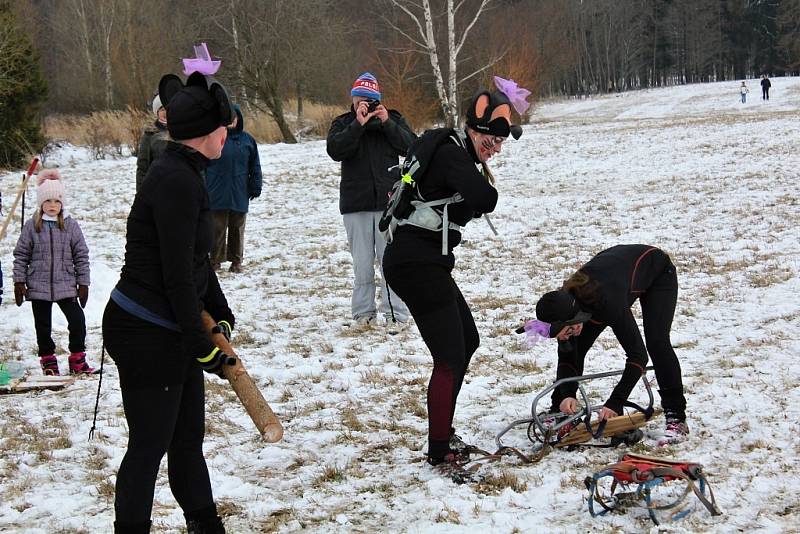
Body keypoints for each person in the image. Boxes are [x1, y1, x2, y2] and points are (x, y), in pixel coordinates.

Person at [102, 71, 237, 534]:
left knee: (185, 445)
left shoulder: (187, 172)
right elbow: (176, 275)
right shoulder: (175, 180)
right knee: (149, 445)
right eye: (224, 125)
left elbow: (195, 261)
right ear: (206, 133)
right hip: (143, 329)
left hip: (171, 325)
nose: (230, 131)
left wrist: (217, 310)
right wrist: (201, 342)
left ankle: (206, 524)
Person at [382, 78, 528, 474]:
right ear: (475, 130)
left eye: (500, 145)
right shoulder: (450, 153)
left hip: (421, 260)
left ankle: (443, 433)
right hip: (415, 263)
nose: (495, 149)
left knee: (468, 340)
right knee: (449, 355)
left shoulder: (455, 151)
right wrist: (479, 184)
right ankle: (438, 448)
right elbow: (485, 199)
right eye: (491, 141)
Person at [533, 244, 689, 445]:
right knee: (574, 348)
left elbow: (638, 356)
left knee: (657, 342)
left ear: (574, 319)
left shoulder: (607, 303)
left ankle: (677, 417)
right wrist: (567, 395)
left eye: (567, 331)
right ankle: (561, 409)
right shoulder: (564, 305)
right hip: (614, 273)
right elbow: (568, 355)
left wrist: (616, 401)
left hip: (656, 270)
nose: (565, 337)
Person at [326, 72, 415, 328]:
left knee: (391, 263)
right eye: (360, 100)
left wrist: (387, 122)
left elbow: (412, 147)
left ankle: (396, 314)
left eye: (370, 101)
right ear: (352, 101)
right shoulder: (343, 123)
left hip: (389, 204)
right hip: (356, 205)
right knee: (362, 264)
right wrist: (358, 124)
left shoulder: (393, 120)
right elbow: (336, 150)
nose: (364, 105)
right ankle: (363, 314)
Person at [12, 169, 96, 376]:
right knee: (43, 327)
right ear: (41, 203)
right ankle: (49, 363)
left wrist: (83, 283)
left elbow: (81, 254)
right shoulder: (32, 226)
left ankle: (77, 359)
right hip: (38, 285)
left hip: (66, 283)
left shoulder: (71, 226)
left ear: (62, 203)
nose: (52, 205)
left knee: (77, 321)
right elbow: (21, 254)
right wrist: (19, 281)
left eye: (56, 201)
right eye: (47, 201)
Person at [205, 104, 262, 273]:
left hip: (240, 190)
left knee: (237, 227)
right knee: (217, 228)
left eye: (233, 117)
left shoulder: (247, 140)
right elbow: (203, 165)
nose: (231, 121)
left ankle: (236, 261)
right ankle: (215, 261)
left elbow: (255, 166)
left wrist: (256, 185)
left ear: (238, 119)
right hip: (216, 190)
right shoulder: (213, 138)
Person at [135, 94, 169, 191]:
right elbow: (142, 168)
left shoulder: (182, 133)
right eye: (162, 109)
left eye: (168, 108)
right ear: (157, 112)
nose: (166, 112)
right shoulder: (150, 135)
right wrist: (140, 194)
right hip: (157, 188)